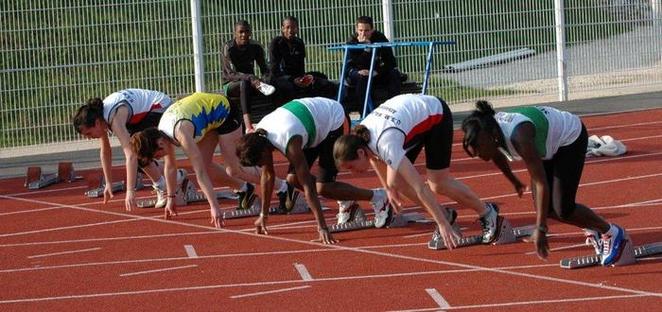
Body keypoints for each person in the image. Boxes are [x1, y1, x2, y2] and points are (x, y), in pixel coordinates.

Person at [461, 101, 628, 265]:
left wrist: (541, 229)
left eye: (480, 150)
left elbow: (541, 183)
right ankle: (592, 227)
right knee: (547, 209)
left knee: (563, 208)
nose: (481, 157)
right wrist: (513, 180)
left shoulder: (519, 137)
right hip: (547, 143)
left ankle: (612, 232)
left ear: (492, 137)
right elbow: (495, 155)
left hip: (569, 139)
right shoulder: (492, 133)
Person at [333, 94, 500, 250]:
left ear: (360, 153)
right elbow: (374, 160)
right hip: (408, 122)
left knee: (438, 183)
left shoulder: (385, 144)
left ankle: (487, 212)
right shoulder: (362, 137)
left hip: (436, 116)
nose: (353, 173)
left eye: (350, 167)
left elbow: (420, 187)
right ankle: (444, 214)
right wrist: (388, 188)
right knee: (398, 184)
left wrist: (441, 223)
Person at [235, 97, 393, 244]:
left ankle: (379, 197)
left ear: (264, 152)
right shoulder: (259, 137)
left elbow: (308, 187)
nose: (263, 164)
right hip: (311, 125)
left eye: (260, 161)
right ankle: (347, 201)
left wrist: (322, 227)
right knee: (292, 179)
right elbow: (267, 175)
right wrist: (263, 215)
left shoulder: (289, 142)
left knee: (323, 187)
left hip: (333, 121)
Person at [129, 92, 282, 227]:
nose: (159, 158)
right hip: (207, 119)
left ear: (160, 144)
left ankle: (284, 187)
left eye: (156, 156)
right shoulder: (162, 134)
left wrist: (214, 207)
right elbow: (170, 167)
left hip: (225, 112)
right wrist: (170, 197)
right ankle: (244, 189)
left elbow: (199, 173)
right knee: (208, 168)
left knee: (234, 168)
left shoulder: (181, 133)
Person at [73, 88, 179, 211]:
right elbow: (105, 152)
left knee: (138, 151)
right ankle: (176, 177)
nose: (89, 138)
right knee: (138, 154)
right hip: (144, 113)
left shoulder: (115, 119)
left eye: (89, 133)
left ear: (97, 123)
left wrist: (130, 191)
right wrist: (108, 183)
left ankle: (163, 186)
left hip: (160, 107)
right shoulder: (102, 117)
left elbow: (131, 156)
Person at [268, 16, 335, 105]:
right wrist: (292, 80)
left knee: (322, 80)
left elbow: (301, 66)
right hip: (281, 78)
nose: (290, 30)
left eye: (293, 27)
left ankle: (321, 107)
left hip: (297, 77)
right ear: (282, 29)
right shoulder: (276, 43)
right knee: (289, 86)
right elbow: (274, 70)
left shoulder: (299, 43)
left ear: (297, 29)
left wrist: (304, 78)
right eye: (288, 27)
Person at [222, 20, 274, 133]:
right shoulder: (229, 47)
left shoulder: (256, 46)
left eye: (247, 31)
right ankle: (248, 126)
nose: (244, 35)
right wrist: (250, 77)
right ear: (234, 33)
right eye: (240, 32)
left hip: (252, 82)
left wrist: (264, 80)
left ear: (250, 32)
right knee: (244, 84)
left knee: (275, 84)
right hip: (231, 85)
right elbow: (231, 74)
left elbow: (265, 69)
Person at [345, 16, 401, 110]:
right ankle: (365, 112)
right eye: (360, 30)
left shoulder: (380, 38)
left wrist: (375, 72)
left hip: (375, 72)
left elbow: (391, 62)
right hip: (357, 72)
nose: (363, 34)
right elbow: (354, 63)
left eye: (366, 30)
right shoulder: (352, 41)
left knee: (394, 74)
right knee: (362, 78)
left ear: (372, 30)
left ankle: (395, 109)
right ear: (356, 30)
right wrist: (367, 49)